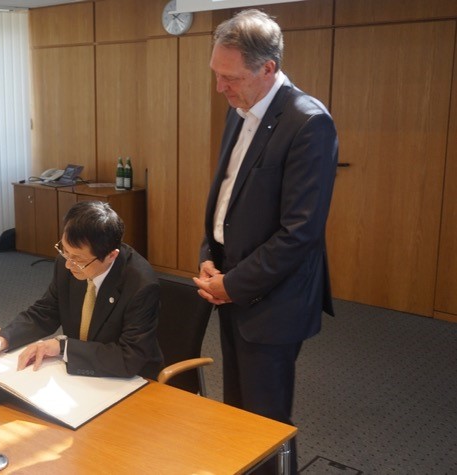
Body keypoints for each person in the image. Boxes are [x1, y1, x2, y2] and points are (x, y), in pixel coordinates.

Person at [193, 9, 338, 474]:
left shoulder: (308, 123)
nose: (220, 87)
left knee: (266, 421)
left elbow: (300, 233)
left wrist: (232, 284)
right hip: (230, 286)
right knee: (237, 412)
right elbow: (227, 200)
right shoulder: (240, 110)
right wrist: (209, 258)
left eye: (230, 77)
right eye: (216, 74)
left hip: (273, 300)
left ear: (268, 68)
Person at [0, 200, 163, 380]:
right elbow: (45, 312)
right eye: (64, 250)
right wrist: (1, 341)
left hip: (130, 379)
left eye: (78, 259)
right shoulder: (68, 262)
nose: (68, 264)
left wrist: (63, 347)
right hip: (79, 371)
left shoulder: (141, 285)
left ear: (111, 256)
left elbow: (129, 357)